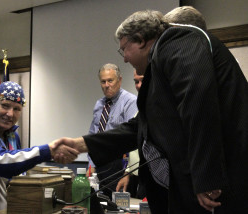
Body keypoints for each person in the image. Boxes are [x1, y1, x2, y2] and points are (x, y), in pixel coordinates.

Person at [53, 9, 248, 214]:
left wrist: (207, 178)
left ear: (141, 40)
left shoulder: (178, 40)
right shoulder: (163, 61)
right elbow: (142, 126)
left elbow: (199, 107)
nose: (125, 59)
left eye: (124, 49)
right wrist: (82, 144)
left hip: (221, 185)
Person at [0, 81, 79, 214]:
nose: (10, 114)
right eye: (5, 106)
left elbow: (13, 171)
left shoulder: (12, 137)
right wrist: (47, 151)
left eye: (16, 109)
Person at [87, 63, 138, 199]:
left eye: (110, 80)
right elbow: (93, 136)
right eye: (103, 81)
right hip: (100, 166)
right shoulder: (99, 105)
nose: (106, 85)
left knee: (119, 208)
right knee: (100, 205)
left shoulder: (130, 102)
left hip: (120, 167)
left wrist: (127, 173)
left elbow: (132, 139)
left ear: (119, 80)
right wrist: (91, 165)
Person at [116, 70, 145, 199]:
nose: (138, 85)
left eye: (142, 80)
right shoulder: (141, 111)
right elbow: (135, 148)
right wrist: (127, 172)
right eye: (136, 81)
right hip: (137, 176)